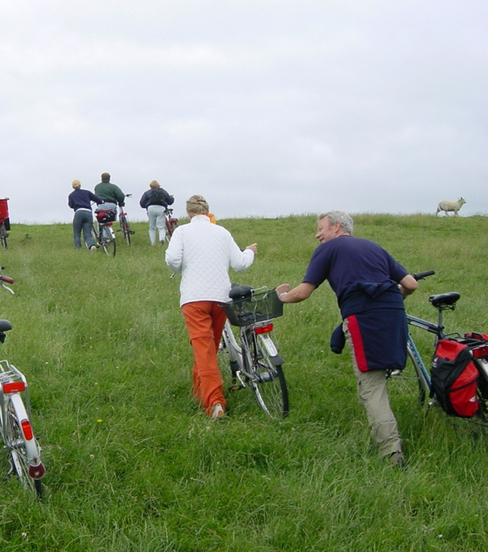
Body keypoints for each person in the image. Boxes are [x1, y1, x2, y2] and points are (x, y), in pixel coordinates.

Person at [275, 211, 417, 468]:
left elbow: (303, 292)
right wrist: (394, 297)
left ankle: (391, 454)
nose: (318, 235)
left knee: (371, 385)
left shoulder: (329, 249)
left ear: (337, 227)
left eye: (320, 229)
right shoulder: (374, 247)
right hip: (394, 313)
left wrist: (280, 297)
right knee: (380, 375)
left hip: (363, 318)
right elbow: (410, 284)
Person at [165, 195, 257, 419]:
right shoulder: (222, 232)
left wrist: (179, 268)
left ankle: (215, 402)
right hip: (221, 298)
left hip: (194, 297)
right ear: (207, 212)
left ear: (188, 213)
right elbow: (240, 263)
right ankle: (200, 392)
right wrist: (250, 251)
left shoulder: (182, 232)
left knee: (204, 350)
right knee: (209, 348)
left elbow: (172, 259)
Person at [68, 179, 103, 249]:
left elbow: (71, 205)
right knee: (87, 233)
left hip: (79, 213)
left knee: (77, 234)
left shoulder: (71, 195)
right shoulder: (87, 192)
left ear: (73, 187)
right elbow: (98, 200)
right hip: (88, 213)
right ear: (80, 185)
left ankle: (78, 249)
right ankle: (91, 245)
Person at [140, 180, 175, 245]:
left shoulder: (147, 192)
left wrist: (147, 205)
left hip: (151, 208)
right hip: (161, 208)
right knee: (161, 226)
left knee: (152, 227)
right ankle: (161, 239)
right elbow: (170, 201)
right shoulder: (163, 192)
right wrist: (172, 197)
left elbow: (142, 203)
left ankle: (153, 243)